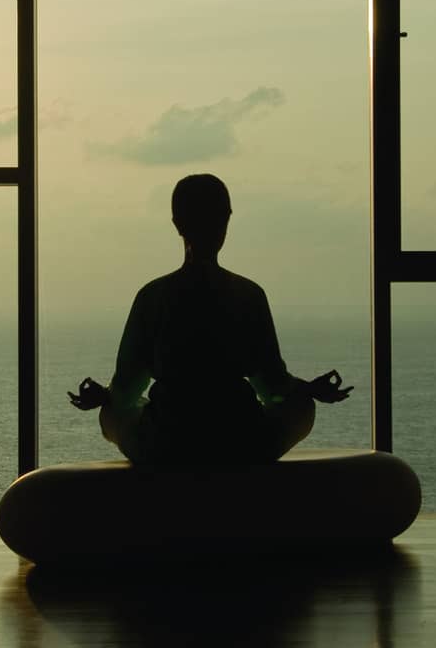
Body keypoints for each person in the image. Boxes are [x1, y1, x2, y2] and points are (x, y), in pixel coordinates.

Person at [68, 174, 353, 465]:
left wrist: (105, 396)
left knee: (113, 413)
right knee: (301, 408)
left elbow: (127, 390)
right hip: (240, 441)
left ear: (177, 223)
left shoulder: (152, 297)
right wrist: (309, 390)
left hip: (165, 444)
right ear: (227, 219)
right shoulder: (249, 295)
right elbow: (273, 387)